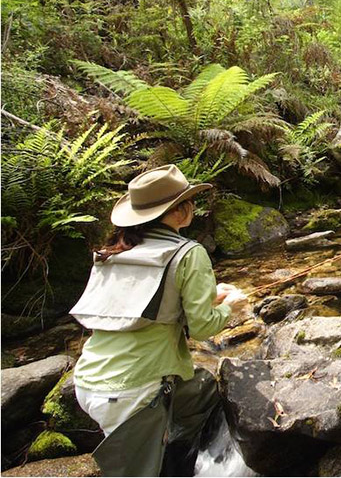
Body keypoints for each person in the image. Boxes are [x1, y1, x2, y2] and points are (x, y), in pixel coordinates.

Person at [70, 164, 248, 476]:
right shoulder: (188, 253)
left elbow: (138, 307)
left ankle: (179, 459)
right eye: (188, 201)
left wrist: (208, 294)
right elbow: (203, 328)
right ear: (181, 212)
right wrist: (230, 308)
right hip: (132, 393)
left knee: (202, 392)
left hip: (87, 382)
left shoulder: (110, 252)